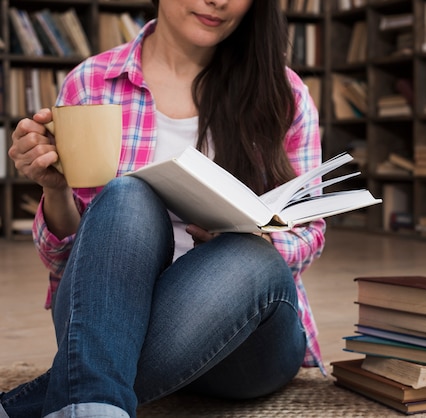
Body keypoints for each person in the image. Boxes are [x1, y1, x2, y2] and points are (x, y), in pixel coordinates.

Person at [2, 0, 326, 417]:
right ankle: (95, 405)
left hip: (245, 342)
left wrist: (250, 237)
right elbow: (65, 261)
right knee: (125, 195)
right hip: (113, 315)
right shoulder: (91, 83)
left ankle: (62, 396)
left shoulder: (284, 93)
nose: (219, 1)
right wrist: (55, 190)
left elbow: (309, 232)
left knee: (248, 255)